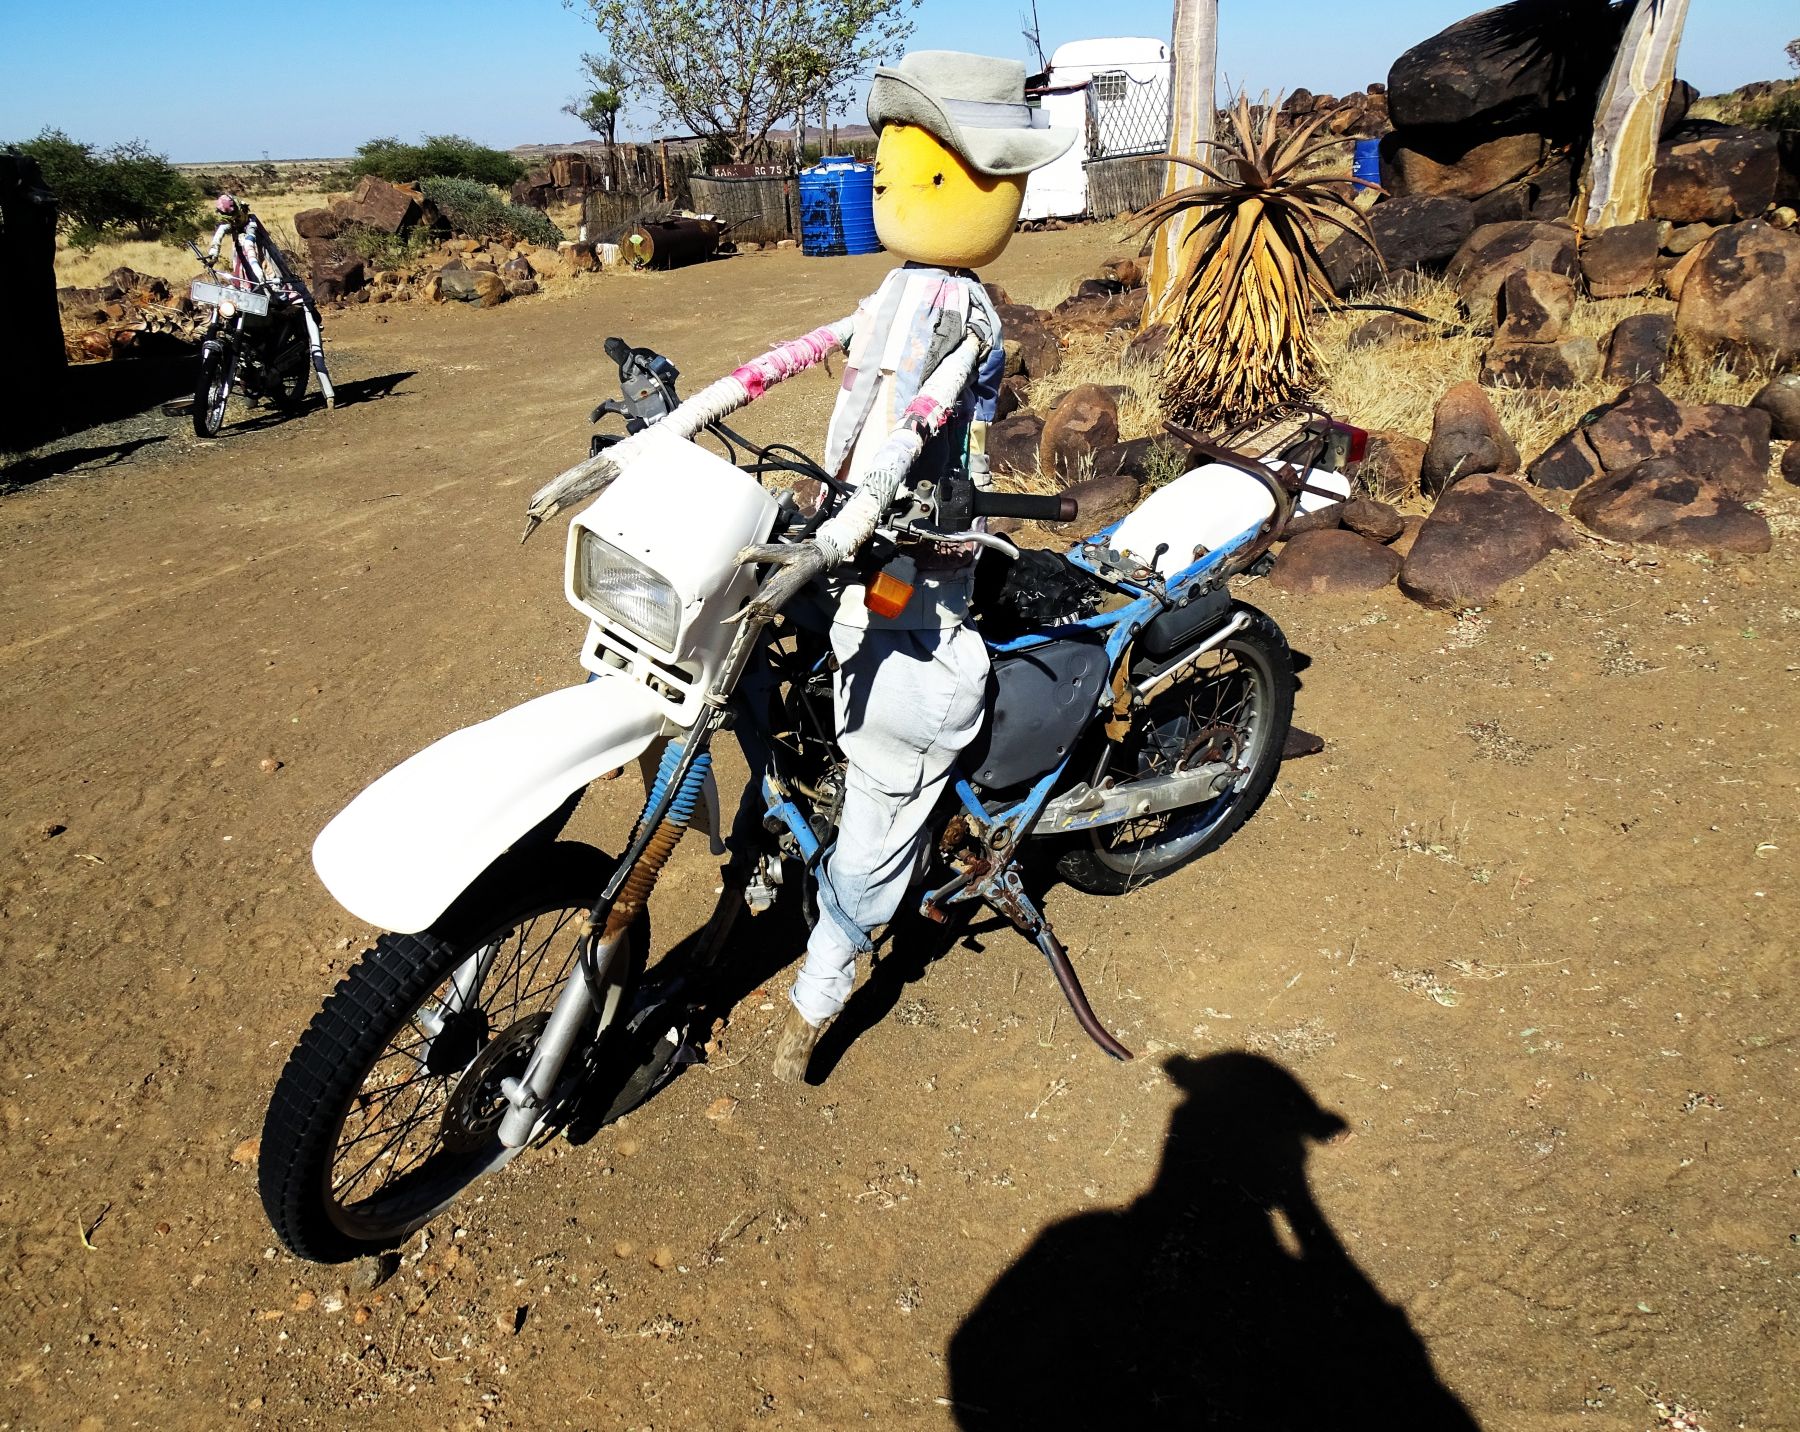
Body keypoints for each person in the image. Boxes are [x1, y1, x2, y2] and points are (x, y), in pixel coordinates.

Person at [748, 52, 1073, 1081]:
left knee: (893, 759)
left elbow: (923, 414)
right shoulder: (899, 285)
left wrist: (859, 514)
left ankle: (831, 964)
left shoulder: (967, 311)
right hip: (871, 537)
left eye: (916, 164)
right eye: (889, 160)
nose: (885, 178)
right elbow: (803, 350)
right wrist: (680, 420)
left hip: (918, 562)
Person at [203, 193, 337, 407]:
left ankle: (327, 390)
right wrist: (212, 253)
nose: (233, 222)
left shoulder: (252, 225)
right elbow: (220, 234)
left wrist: (259, 271)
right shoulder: (232, 227)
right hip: (247, 284)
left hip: (274, 284)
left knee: (312, 340)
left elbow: (250, 246)